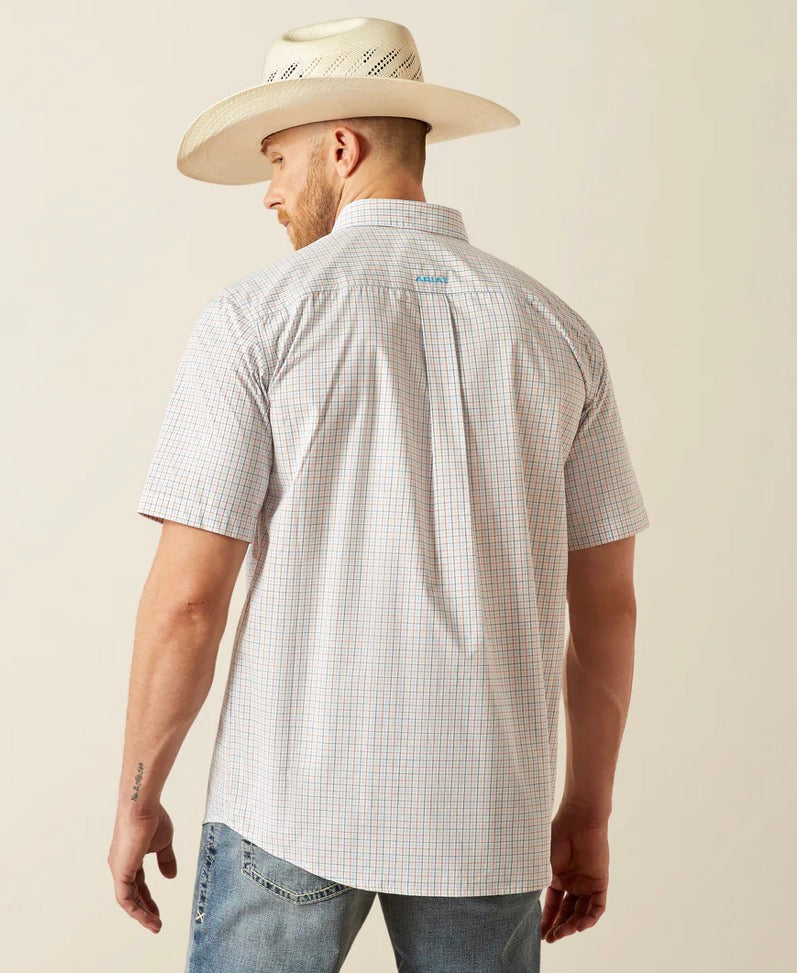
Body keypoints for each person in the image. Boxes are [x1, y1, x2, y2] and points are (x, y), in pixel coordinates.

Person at [107, 16, 650, 973]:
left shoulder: (255, 319)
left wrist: (137, 794)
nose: (270, 193)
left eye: (278, 160)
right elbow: (607, 607)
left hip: (289, 802)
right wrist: (586, 811)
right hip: (486, 813)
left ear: (341, 147)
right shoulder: (558, 333)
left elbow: (188, 599)